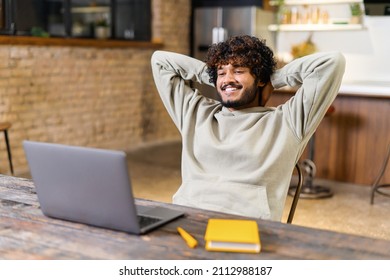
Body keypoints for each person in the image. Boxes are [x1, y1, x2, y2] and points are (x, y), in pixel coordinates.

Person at [151, 35, 345, 221]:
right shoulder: (195, 113)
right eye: (221, 72)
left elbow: (332, 63)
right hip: (188, 218)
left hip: (247, 226)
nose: (227, 78)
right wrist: (216, 78)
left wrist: (272, 78)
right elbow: (160, 61)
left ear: (260, 79)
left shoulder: (287, 122)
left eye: (238, 71)